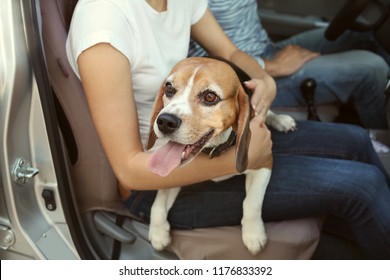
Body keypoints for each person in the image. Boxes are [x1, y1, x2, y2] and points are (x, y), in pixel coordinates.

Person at [66, 0, 390, 259]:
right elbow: (129, 171)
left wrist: (263, 81)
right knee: (364, 187)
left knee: (356, 139)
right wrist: (246, 158)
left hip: (210, 137)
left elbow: (231, 54)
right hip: (152, 180)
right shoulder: (103, 22)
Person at [188, 0, 390, 129]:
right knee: (372, 69)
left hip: (265, 50)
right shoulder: (183, 6)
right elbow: (207, 60)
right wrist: (271, 66)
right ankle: (382, 141)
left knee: (364, 32)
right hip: (243, 79)